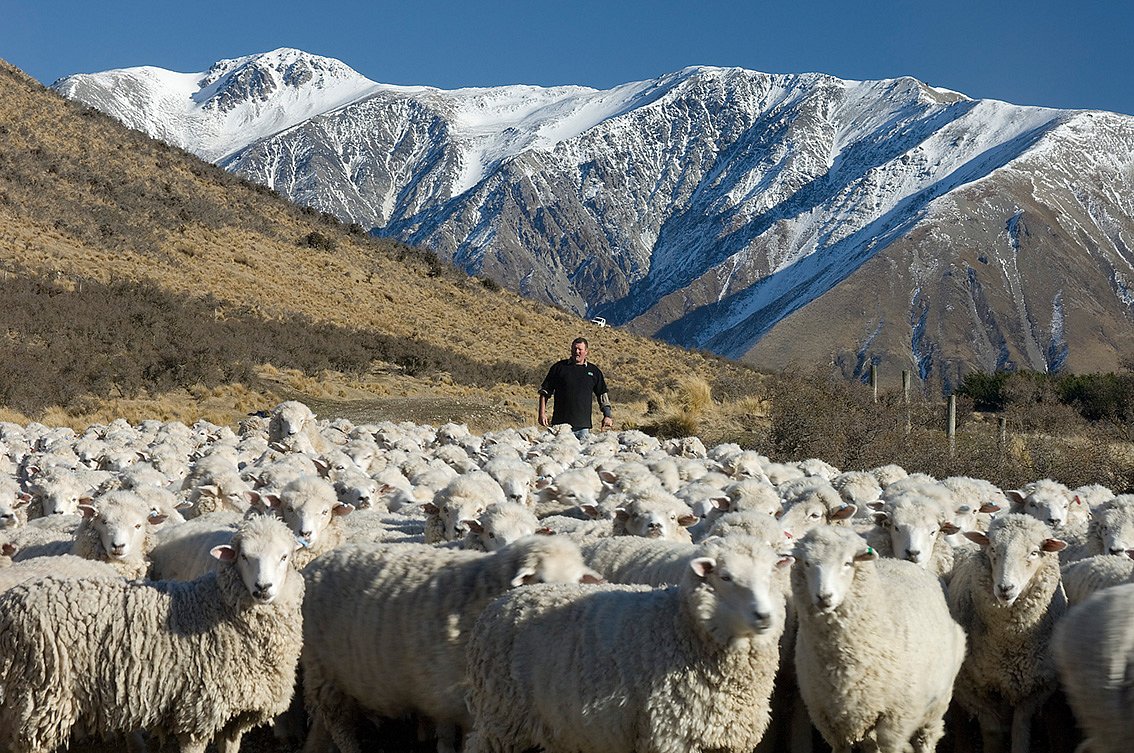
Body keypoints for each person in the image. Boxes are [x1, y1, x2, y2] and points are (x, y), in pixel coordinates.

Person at [537, 337, 613, 438]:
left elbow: (602, 395)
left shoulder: (594, 371)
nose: (576, 352)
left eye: (580, 349)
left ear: (586, 351)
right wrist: (542, 414)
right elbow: (545, 392)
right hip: (560, 426)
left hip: (583, 427)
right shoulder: (559, 368)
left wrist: (607, 415)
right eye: (574, 349)